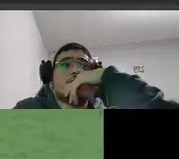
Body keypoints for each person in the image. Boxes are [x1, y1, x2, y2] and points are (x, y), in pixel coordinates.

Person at [14, 42, 179, 109]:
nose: (76, 70)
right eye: (65, 64)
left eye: (83, 65)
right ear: (49, 77)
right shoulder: (28, 110)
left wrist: (106, 75)